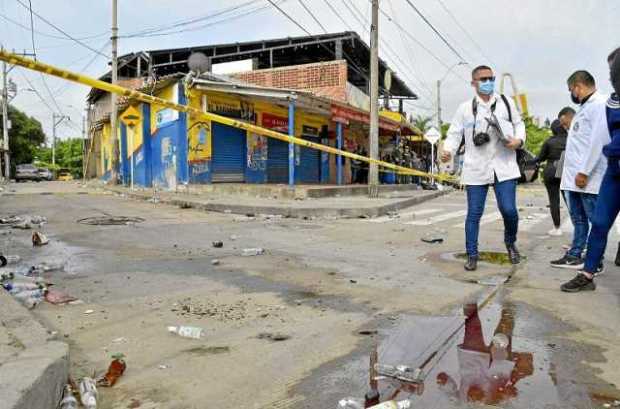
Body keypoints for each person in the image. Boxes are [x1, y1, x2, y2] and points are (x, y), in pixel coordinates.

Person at [442, 65, 526, 271]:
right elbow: (454, 133)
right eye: (483, 79)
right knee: (474, 214)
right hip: (476, 167)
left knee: (509, 210)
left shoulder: (506, 103)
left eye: (491, 78)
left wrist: (519, 140)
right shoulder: (464, 108)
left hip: (504, 165)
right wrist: (447, 150)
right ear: (473, 83)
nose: (488, 82)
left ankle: (510, 242)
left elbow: (519, 124)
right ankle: (472, 254)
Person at [561, 48, 620, 292]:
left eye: (612, 69)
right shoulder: (612, 102)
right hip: (614, 171)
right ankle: (587, 273)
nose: (609, 76)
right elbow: (600, 138)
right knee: (600, 222)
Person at [550, 71, 609, 270]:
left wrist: (584, 171)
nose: (572, 94)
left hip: (587, 177)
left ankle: (595, 261)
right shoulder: (585, 107)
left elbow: (597, 142)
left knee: (594, 222)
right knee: (578, 219)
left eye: (571, 90)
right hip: (574, 177)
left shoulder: (599, 105)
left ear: (578, 86)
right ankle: (575, 254)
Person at [531, 108, 575, 236]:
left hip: (550, 172)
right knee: (570, 201)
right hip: (566, 172)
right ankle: (578, 227)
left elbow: (540, 158)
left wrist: (529, 161)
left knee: (554, 200)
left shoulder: (549, 141)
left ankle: (557, 228)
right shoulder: (571, 139)